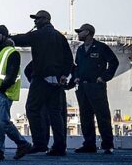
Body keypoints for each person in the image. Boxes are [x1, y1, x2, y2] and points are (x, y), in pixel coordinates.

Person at [10, 10, 74, 156]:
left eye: (37, 19)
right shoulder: (60, 37)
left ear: (45, 19)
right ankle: (60, 146)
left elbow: (23, 39)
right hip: (57, 81)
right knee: (55, 114)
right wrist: (64, 75)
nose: (35, 21)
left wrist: (8, 38)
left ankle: (39, 143)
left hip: (40, 79)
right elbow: (69, 59)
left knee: (32, 109)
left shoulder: (39, 34)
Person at [0, 26, 32, 161]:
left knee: (3, 122)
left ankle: (22, 144)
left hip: (2, 92)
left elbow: (11, 74)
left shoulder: (11, 53)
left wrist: (2, 89)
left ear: (4, 36)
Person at [71, 23, 118, 154]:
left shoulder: (101, 47)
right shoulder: (80, 49)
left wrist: (104, 77)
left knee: (102, 116)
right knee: (85, 116)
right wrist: (76, 77)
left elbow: (114, 62)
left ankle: (107, 145)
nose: (78, 34)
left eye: (80, 31)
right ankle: (89, 144)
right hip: (83, 87)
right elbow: (77, 66)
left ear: (87, 32)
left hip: (96, 86)